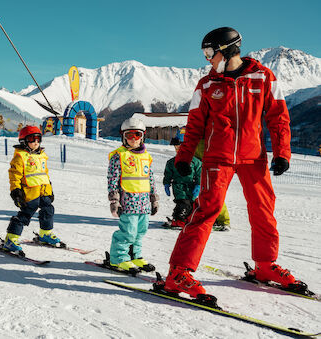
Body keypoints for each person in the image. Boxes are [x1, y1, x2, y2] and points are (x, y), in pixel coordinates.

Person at [162, 27, 300, 298]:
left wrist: (282, 153)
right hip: (217, 158)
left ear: (227, 50)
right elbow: (194, 126)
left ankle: (265, 265)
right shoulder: (207, 84)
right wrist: (184, 157)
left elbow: (278, 118)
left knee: (263, 210)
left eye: (209, 52)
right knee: (205, 212)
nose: (207, 59)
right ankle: (179, 272)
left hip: (254, 157)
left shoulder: (263, 78)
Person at [107, 117, 158, 274]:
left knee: (140, 231)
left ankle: (135, 256)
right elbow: (112, 179)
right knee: (127, 232)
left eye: (137, 135)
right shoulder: (119, 155)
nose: (133, 139)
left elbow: (150, 178)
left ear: (142, 136)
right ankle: (118, 259)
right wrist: (114, 200)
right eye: (129, 135)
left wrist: (154, 198)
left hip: (143, 202)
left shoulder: (146, 156)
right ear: (124, 137)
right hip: (128, 201)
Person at [2, 125, 59, 253]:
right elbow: (14, 175)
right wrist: (15, 191)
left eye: (38, 139)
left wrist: (50, 190)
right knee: (26, 214)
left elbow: (45, 174)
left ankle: (45, 234)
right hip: (29, 192)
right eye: (32, 139)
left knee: (48, 210)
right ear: (24, 141)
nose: (36, 143)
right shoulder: (20, 156)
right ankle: (11, 239)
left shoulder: (42, 155)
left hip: (43, 190)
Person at [162, 128, 201, 228]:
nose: (178, 149)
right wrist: (166, 183)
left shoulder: (195, 162)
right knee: (183, 203)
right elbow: (168, 174)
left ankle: (185, 218)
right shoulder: (171, 162)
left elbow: (199, 174)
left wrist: (198, 184)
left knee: (190, 204)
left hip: (191, 186)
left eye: (180, 146)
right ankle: (179, 220)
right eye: (176, 147)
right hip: (178, 187)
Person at [194, 139, 231, 230]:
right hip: (200, 166)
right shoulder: (199, 134)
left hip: (213, 166)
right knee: (202, 196)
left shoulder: (211, 133)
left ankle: (223, 221)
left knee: (216, 194)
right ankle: (206, 218)